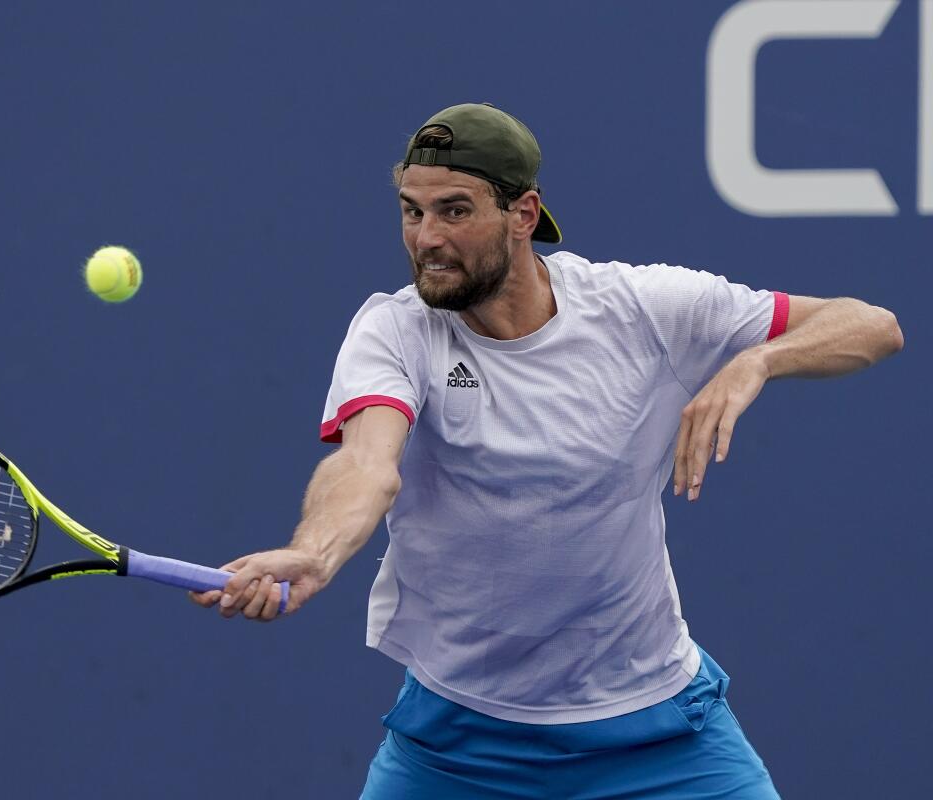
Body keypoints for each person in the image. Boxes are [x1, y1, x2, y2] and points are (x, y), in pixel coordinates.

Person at [190, 103, 904, 798]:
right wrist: (315, 551)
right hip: (457, 749)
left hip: (658, 738)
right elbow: (368, 466)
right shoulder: (394, 332)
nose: (427, 238)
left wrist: (757, 362)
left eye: (455, 210)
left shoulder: (644, 308)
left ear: (523, 215)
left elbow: (871, 324)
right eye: (412, 211)